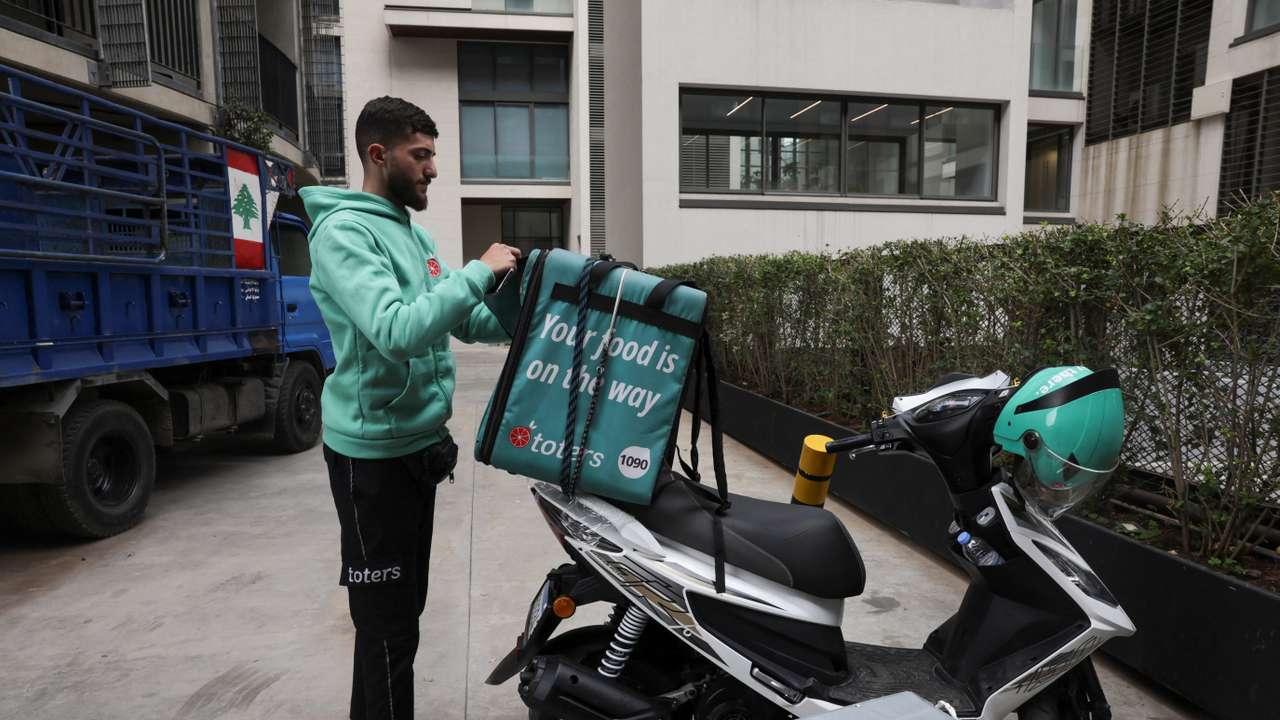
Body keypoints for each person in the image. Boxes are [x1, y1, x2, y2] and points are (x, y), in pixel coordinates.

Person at [300, 96, 520, 720]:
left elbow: (465, 320)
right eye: (419, 155)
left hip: (416, 448)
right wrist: (477, 273)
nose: (432, 169)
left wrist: (524, 305)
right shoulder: (344, 234)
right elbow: (396, 331)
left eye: (432, 155)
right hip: (370, 461)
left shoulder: (412, 233)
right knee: (388, 627)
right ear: (378, 154)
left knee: (396, 617)